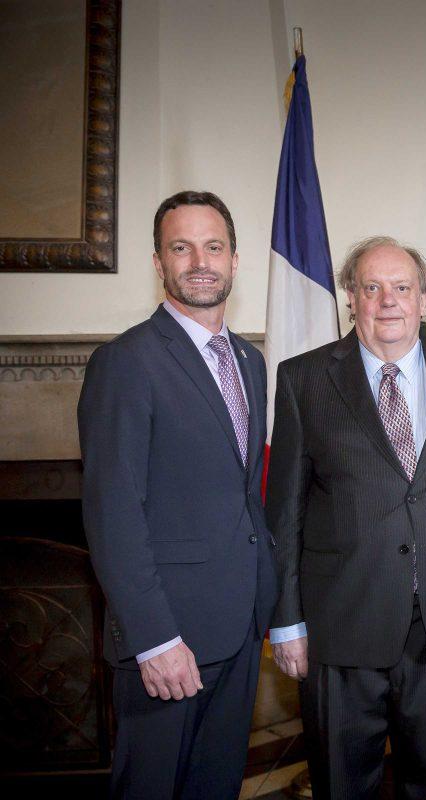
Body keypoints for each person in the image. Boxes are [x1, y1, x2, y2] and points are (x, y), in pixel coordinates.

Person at [266, 237, 426, 799]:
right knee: (342, 785)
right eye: (371, 287)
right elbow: (285, 512)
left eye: (402, 288)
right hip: (341, 630)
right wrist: (287, 622)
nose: (388, 301)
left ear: (424, 300)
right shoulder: (303, 380)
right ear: (350, 298)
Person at [79, 190, 277, 798]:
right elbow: (113, 512)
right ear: (159, 262)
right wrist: (154, 637)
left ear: (235, 260)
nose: (200, 261)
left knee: (214, 788)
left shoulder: (248, 360)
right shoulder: (126, 362)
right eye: (181, 247)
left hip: (239, 626)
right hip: (169, 639)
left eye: (213, 246)